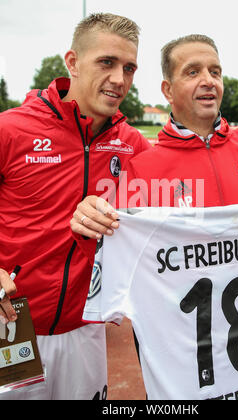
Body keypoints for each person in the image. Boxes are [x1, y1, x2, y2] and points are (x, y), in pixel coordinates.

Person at [71, 34, 238, 399]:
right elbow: (110, 261)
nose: (208, 80)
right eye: (193, 71)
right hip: (185, 362)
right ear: (167, 88)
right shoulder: (142, 170)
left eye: (215, 71)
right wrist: (89, 222)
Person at [0, 12, 150, 400]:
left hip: (86, 328)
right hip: (11, 323)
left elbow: (177, 211)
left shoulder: (133, 144)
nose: (120, 78)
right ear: (72, 62)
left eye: (129, 67)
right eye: (107, 62)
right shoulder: (11, 130)